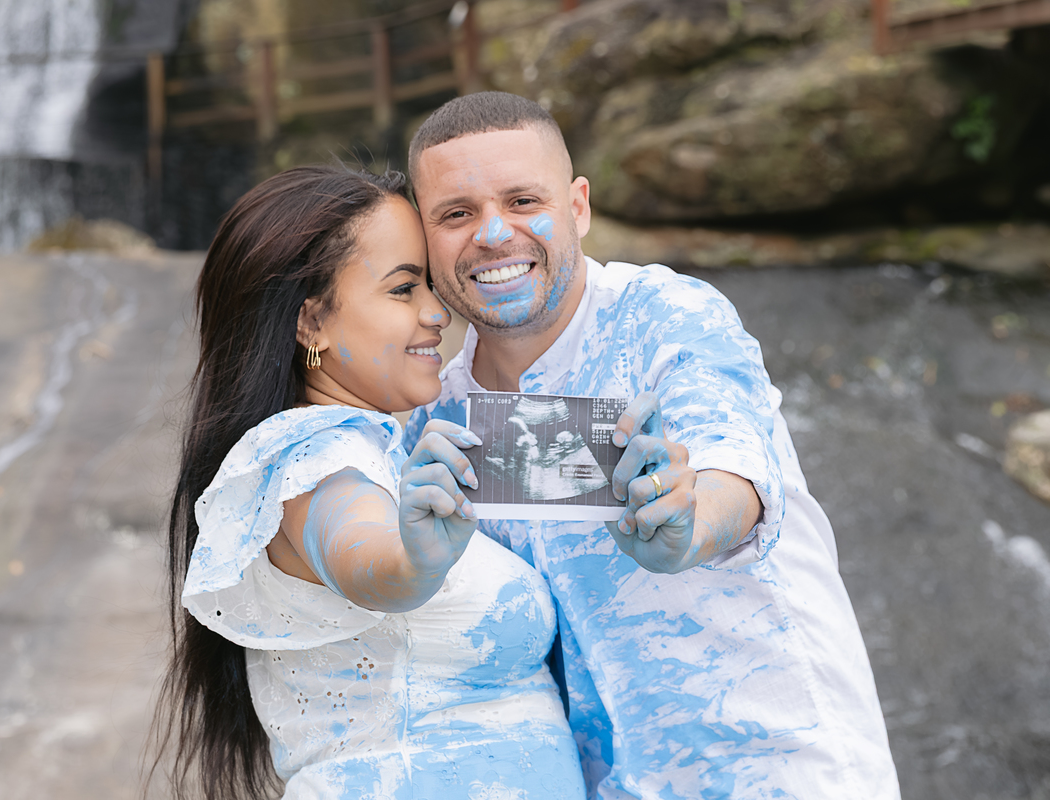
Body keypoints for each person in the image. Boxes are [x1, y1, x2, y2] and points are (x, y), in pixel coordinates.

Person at [404, 92, 901, 799]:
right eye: (456, 213)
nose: (492, 233)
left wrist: (689, 520)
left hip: (780, 769)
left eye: (522, 200)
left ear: (578, 207)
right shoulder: (439, 415)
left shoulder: (667, 318)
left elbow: (732, 473)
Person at [152, 166, 588, 799]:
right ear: (311, 324)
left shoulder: (401, 447)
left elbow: (633, 482)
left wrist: (644, 465)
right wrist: (411, 560)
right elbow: (365, 555)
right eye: (404, 289)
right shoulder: (309, 458)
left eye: (430, 286)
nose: (437, 312)